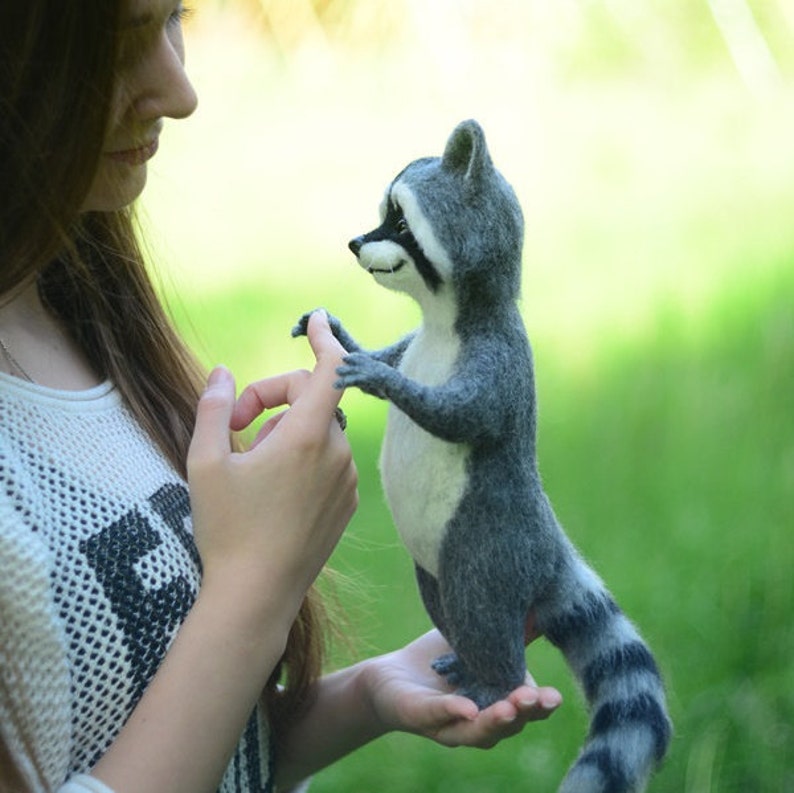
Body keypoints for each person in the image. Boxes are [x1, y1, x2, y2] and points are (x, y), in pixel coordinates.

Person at [0, 2, 562, 792]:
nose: (182, 91)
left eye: (175, 15)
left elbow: (188, 746)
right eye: (120, 45)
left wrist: (365, 694)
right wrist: (258, 578)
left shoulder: (80, 310)